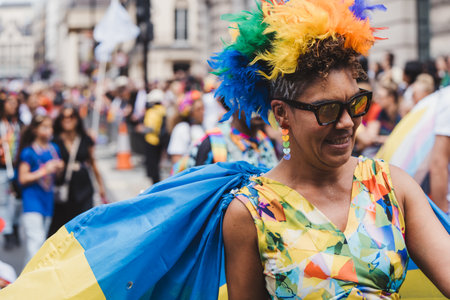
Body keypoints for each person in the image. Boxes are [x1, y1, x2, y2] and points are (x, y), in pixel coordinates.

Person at [1, 1, 449, 299]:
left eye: (355, 104)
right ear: (282, 113)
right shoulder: (249, 212)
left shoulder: (392, 185)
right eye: (327, 110)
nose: (348, 123)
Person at [47, 105, 106, 236]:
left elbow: (92, 162)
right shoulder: (54, 140)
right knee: (62, 228)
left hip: (84, 186)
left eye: (71, 116)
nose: (67, 120)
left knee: (84, 225)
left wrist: (101, 187)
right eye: (64, 117)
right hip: (64, 187)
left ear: (77, 119)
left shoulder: (85, 138)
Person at [17, 115, 64, 264]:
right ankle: (28, 282)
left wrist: (59, 168)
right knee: (35, 243)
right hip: (32, 201)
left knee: (41, 242)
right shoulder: (29, 152)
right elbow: (22, 178)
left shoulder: (54, 149)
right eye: (44, 127)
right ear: (35, 130)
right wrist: (45, 170)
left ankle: (29, 278)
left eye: (50, 127)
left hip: (47, 199)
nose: (49, 130)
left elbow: (56, 177)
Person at [0, 93, 22, 250]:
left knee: (17, 201)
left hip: (17, 167)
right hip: (2, 168)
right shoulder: (1, 124)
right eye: (9, 103)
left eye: (15, 103)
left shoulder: (19, 124)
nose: (12, 106)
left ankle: (14, 226)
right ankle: (7, 233)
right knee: (3, 202)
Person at [167, 90, 205, 164]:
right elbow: (176, 160)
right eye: (198, 109)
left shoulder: (201, 127)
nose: (203, 112)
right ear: (190, 112)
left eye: (203, 108)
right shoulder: (182, 128)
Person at [138, 89, 167, 184]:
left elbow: (150, 128)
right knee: (157, 165)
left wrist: (141, 129)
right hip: (159, 141)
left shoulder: (153, 111)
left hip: (152, 141)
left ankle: (155, 185)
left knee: (153, 166)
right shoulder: (163, 110)